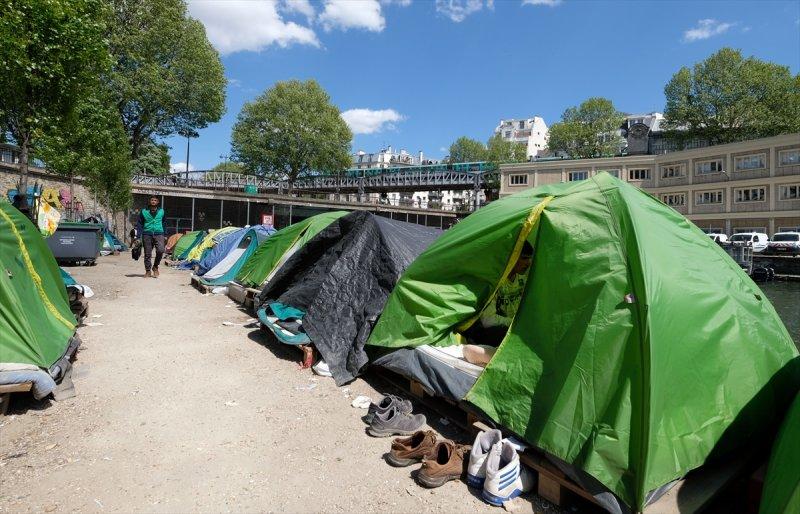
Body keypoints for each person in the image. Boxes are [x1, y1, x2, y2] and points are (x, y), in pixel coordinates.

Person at [135, 196, 166, 278]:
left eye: (155, 200)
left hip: (159, 233)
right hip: (147, 234)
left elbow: (164, 222)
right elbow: (139, 223)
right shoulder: (144, 211)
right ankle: (148, 271)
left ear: (158, 202)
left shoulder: (161, 211)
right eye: (152, 200)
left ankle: (155, 266)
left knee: (160, 250)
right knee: (147, 253)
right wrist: (138, 236)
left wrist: (165, 234)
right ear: (149, 201)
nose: (153, 201)